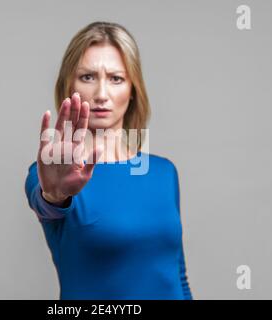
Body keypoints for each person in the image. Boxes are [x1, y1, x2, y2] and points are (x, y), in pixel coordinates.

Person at [25, 21, 193, 300]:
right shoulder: (51, 175)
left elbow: (177, 277)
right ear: (69, 86)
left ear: (133, 89)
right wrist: (53, 194)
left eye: (116, 78)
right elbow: (48, 203)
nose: (102, 94)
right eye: (88, 77)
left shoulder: (164, 172)